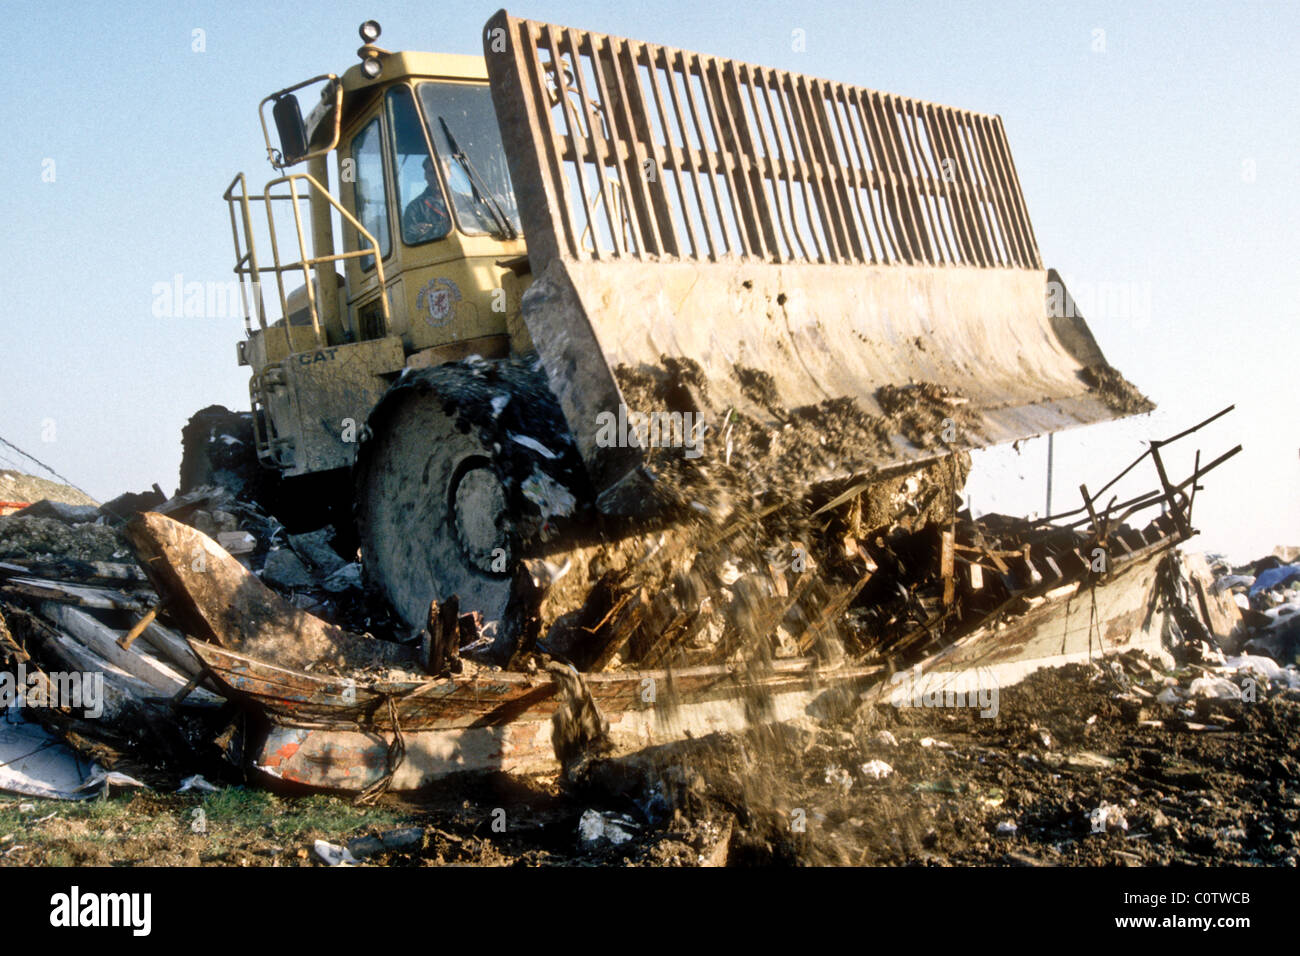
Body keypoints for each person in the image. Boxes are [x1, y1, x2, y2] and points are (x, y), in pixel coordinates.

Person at [402, 157, 451, 243]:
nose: (437, 177)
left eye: (441, 171)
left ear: (450, 174)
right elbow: (408, 238)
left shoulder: (467, 204)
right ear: (425, 176)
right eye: (432, 173)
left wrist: (431, 229)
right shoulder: (414, 208)